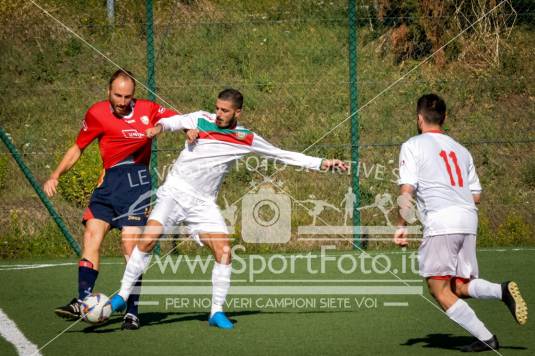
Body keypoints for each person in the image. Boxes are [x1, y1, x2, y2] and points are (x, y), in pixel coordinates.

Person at [107, 88, 349, 329]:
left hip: (202, 203)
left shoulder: (246, 138)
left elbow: (281, 155)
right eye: (217, 108)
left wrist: (322, 163)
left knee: (224, 251)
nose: (219, 114)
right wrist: (157, 129)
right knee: (148, 239)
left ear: (238, 113)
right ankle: (122, 296)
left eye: (225, 110)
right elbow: (172, 121)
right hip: (175, 192)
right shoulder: (201, 118)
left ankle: (216, 312)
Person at [43, 69, 194, 330]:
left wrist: (189, 129)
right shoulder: (97, 113)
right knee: (92, 235)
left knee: (129, 246)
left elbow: (179, 118)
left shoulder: (148, 109)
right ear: (108, 92)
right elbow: (78, 147)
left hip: (136, 186)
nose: (123, 101)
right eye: (117, 95)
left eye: (127, 96)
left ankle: (131, 312)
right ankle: (82, 300)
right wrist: (56, 174)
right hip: (108, 184)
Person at [394, 94, 528, 352]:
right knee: (457, 285)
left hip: (442, 222)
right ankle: (502, 291)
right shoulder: (461, 149)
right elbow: (475, 195)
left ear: (419, 118)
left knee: (438, 288)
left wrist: (401, 225)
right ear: (444, 118)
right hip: (468, 219)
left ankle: (486, 338)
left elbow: (407, 190)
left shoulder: (413, 145)